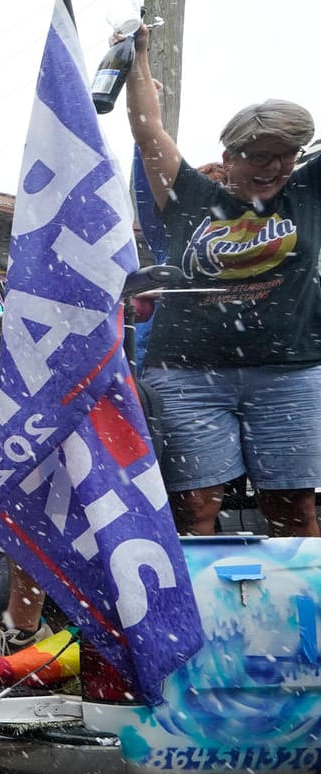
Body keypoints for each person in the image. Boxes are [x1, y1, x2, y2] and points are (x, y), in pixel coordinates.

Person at [124, 23, 321, 537]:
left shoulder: (306, 191)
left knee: (293, 505)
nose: (274, 165)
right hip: (188, 375)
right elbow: (148, 133)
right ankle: (203, 614)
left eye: (286, 154)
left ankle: (302, 613)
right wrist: (139, 58)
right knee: (193, 508)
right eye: (260, 154)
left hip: (289, 371)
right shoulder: (188, 196)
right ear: (229, 156)